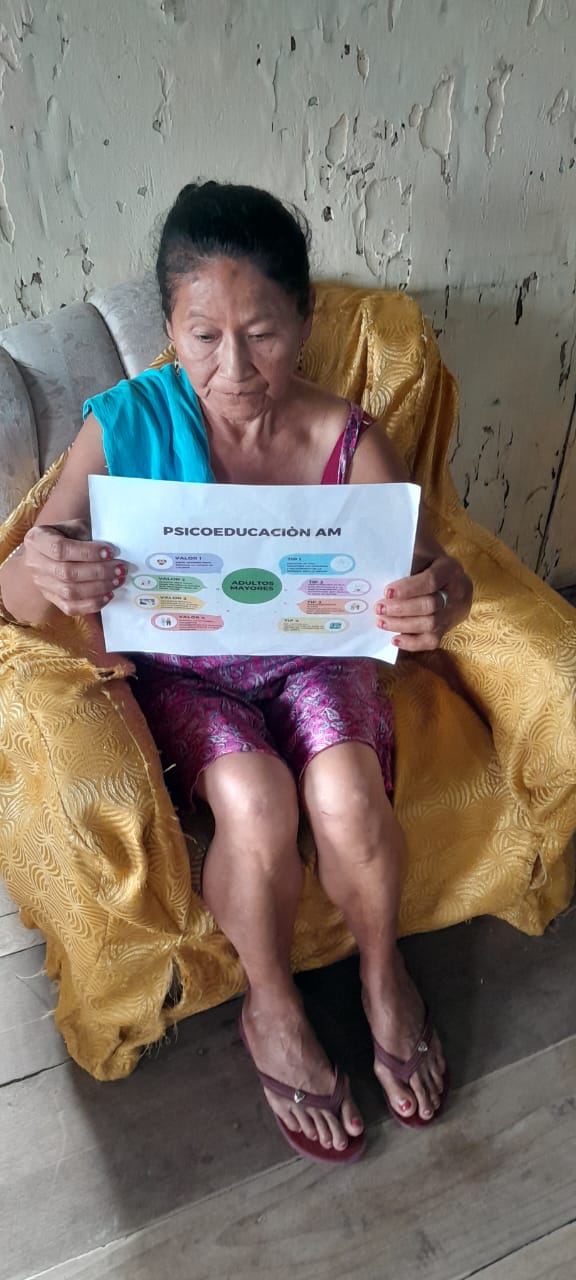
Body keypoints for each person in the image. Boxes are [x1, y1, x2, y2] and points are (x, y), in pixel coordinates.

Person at [0, 181, 472, 1164]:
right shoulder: (128, 424)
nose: (234, 368)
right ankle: (273, 1005)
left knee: (344, 789)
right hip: (185, 671)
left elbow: (429, 571)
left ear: (304, 323)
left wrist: (442, 595)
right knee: (255, 800)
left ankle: (382, 973)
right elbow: (17, 596)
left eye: (262, 334)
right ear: (169, 330)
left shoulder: (347, 440)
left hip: (315, 657)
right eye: (203, 336)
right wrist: (48, 563)